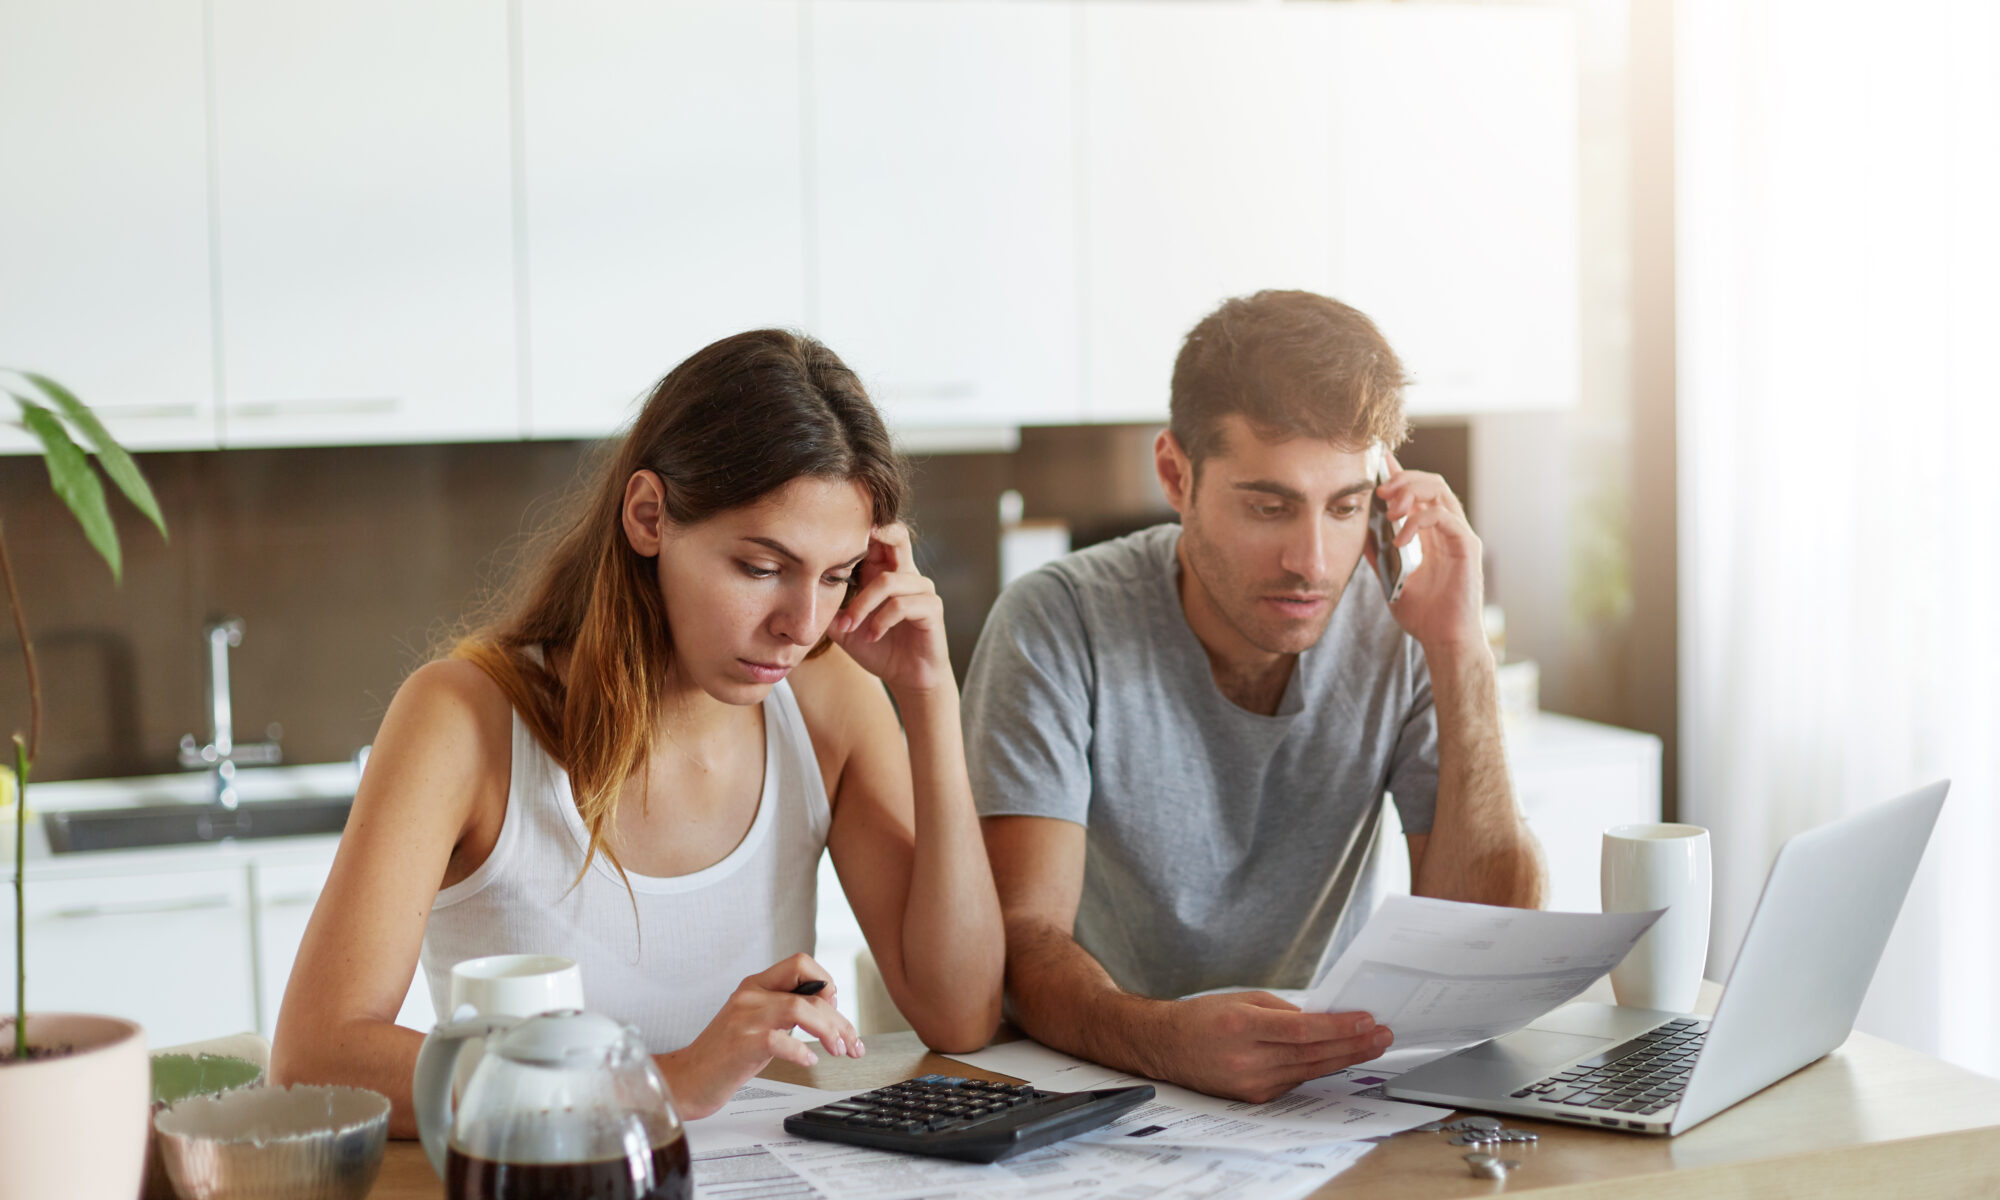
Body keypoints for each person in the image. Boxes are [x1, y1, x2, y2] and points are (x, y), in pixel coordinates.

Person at [272, 330, 1004, 1134]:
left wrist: (929, 695)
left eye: (834, 578)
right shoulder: (463, 720)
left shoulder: (829, 701)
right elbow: (316, 1058)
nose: (800, 626)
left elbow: (960, 1015)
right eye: (761, 568)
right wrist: (661, 1084)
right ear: (650, 516)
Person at [964, 290, 1545, 1104]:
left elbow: (1486, 942)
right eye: (1269, 507)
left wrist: (1459, 651)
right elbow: (1021, 944)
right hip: (1096, 1081)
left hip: (1324, 1089)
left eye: (1345, 507)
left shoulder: (1402, 626)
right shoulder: (1058, 621)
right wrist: (1165, 1041)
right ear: (1176, 474)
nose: (1310, 561)